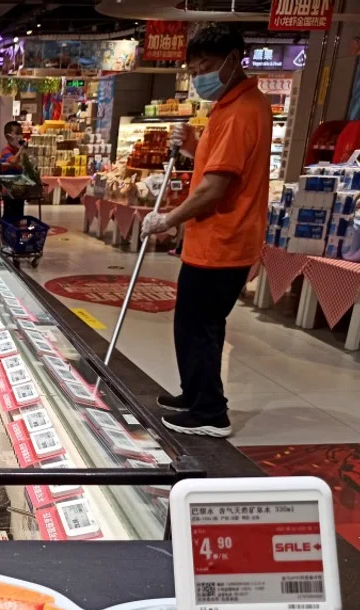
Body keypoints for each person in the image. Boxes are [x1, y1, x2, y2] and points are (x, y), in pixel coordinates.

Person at [141, 25, 271, 438]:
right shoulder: (236, 105)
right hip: (216, 240)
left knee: (197, 325)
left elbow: (215, 189)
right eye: (194, 68)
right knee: (200, 323)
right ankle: (196, 393)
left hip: (222, 240)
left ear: (234, 58)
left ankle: (210, 412)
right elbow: (221, 165)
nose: (200, 76)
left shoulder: (240, 112)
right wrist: (195, 143)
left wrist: (168, 218)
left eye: (208, 66)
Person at [0, 120, 27, 221]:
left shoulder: (17, 149)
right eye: (17, 133)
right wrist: (20, 151)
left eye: (21, 133)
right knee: (10, 212)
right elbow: (13, 161)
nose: (20, 136)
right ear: (8, 137)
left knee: (19, 212)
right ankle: (8, 231)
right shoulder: (6, 150)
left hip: (19, 188)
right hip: (9, 189)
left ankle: (17, 231)